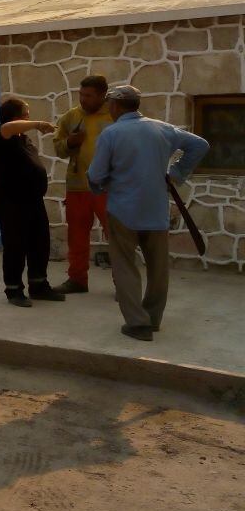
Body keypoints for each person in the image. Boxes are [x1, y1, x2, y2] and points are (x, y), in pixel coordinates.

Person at [87, 85, 209, 341]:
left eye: (111, 104)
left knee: (124, 265)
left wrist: (99, 186)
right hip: (156, 208)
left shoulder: (112, 133)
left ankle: (137, 323)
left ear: (117, 106)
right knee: (158, 267)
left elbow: (96, 175)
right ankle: (153, 319)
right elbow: (200, 145)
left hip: (123, 209)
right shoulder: (162, 128)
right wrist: (175, 174)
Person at [0, 97, 66, 307]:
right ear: (14, 117)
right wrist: (39, 125)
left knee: (40, 243)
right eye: (25, 113)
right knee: (15, 246)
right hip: (10, 202)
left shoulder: (24, 140)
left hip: (32, 201)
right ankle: (14, 290)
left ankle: (39, 286)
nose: (29, 116)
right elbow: (9, 127)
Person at [53, 75, 114, 294]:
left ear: (102, 95)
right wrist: (70, 142)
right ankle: (77, 280)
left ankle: (124, 283)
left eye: (88, 96)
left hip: (109, 188)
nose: (83, 99)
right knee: (77, 236)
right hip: (78, 185)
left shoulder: (115, 116)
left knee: (116, 236)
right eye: (81, 94)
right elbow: (58, 148)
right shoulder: (71, 117)